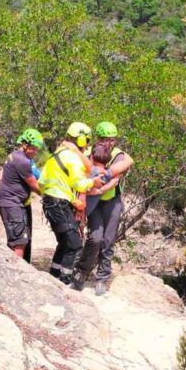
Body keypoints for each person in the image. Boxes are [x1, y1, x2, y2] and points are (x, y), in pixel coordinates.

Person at [73, 122, 134, 295]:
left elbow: (117, 177)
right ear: (98, 138)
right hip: (94, 202)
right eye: (106, 140)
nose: (110, 143)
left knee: (108, 240)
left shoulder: (117, 154)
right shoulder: (90, 152)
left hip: (111, 200)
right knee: (95, 238)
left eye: (112, 140)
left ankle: (102, 277)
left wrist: (101, 188)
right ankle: (82, 271)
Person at [39, 122, 103, 285]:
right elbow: (79, 184)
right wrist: (93, 182)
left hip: (51, 202)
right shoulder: (72, 158)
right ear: (82, 141)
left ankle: (54, 275)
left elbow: (43, 181)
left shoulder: (57, 153)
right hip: (58, 204)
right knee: (74, 244)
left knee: (64, 242)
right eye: (86, 141)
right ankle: (64, 280)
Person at [0, 129, 44, 263]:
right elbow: (35, 186)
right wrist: (51, 195)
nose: (35, 152)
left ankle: (14, 268)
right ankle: (15, 273)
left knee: (21, 239)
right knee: (19, 242)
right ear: (25, 145)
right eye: (33, 149)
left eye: (37, 150)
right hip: (11, 203)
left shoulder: (16, 155)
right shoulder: (22, 161)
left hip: (17, 203)